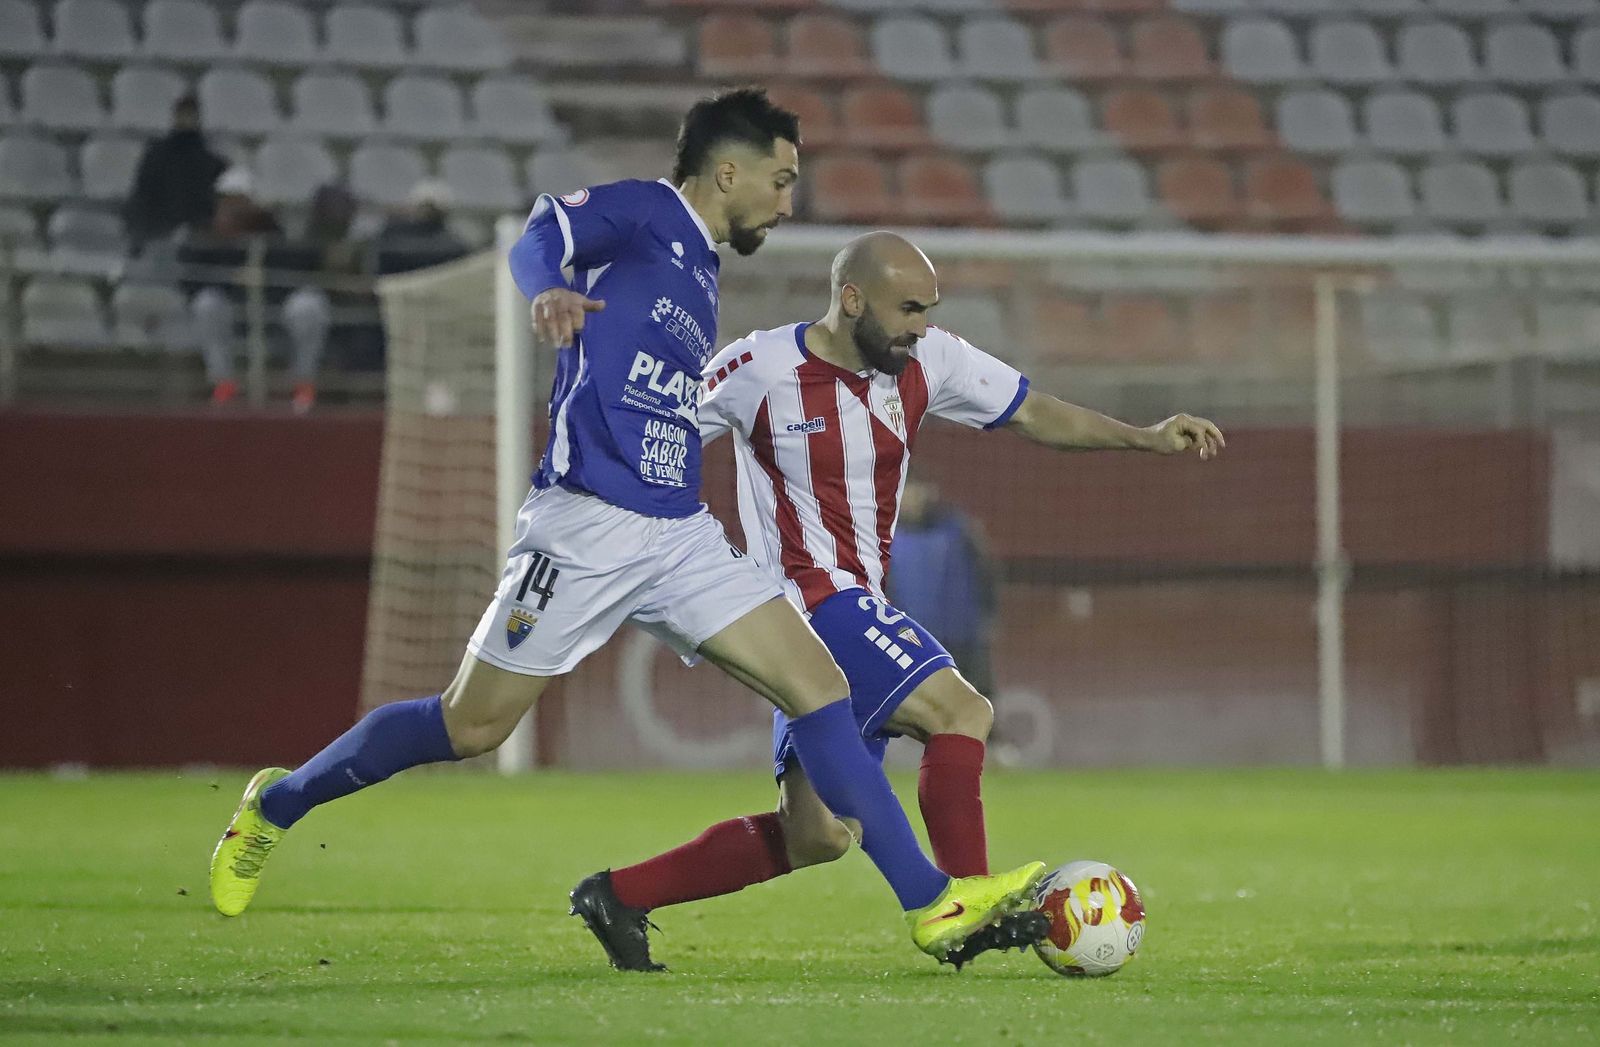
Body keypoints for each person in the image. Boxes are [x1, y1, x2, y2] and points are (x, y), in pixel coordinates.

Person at [208, 89, 1045, 967]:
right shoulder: (650, 213)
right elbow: (541, 234)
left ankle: (933, 904)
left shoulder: (700, 268)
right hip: (586, 522)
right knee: (469, 726)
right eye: (782, 178)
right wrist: (550, 294)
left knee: (818, 684)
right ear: (729, 171)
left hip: (676, 530)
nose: (789, 201)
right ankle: (278, 803)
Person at [575, 231, 1224, 971]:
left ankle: (618, 893)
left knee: (816, 833)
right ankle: (969, 904)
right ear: (851, 298)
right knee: (962, 709)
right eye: (907, 308)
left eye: (928, 309)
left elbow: (1034, 411)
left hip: (845, 609)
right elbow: (661, 433)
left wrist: (1144, 438)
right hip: (804, 604)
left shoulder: (930, 360)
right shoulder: (759, 367)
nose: (920, 323)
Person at [183, 168, 332, 411]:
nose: (235, 208)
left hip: (275, 305)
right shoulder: (206, 235)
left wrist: (261, 233)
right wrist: (223, 245)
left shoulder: (273, 233)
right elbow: (192, 278)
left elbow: (304, 265)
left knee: (310, 307)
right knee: (206, 305)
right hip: (232, 307)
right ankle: (224, 384)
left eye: (241, 201)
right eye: (228, 200)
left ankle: (304, 384)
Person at [122, 93, 227, 254]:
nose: (186, 120)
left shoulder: (211, 162)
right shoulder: (156, 155)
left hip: (194, 238)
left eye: (191, 115)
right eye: (183, 115)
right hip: (158, 230)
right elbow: (143, 195)